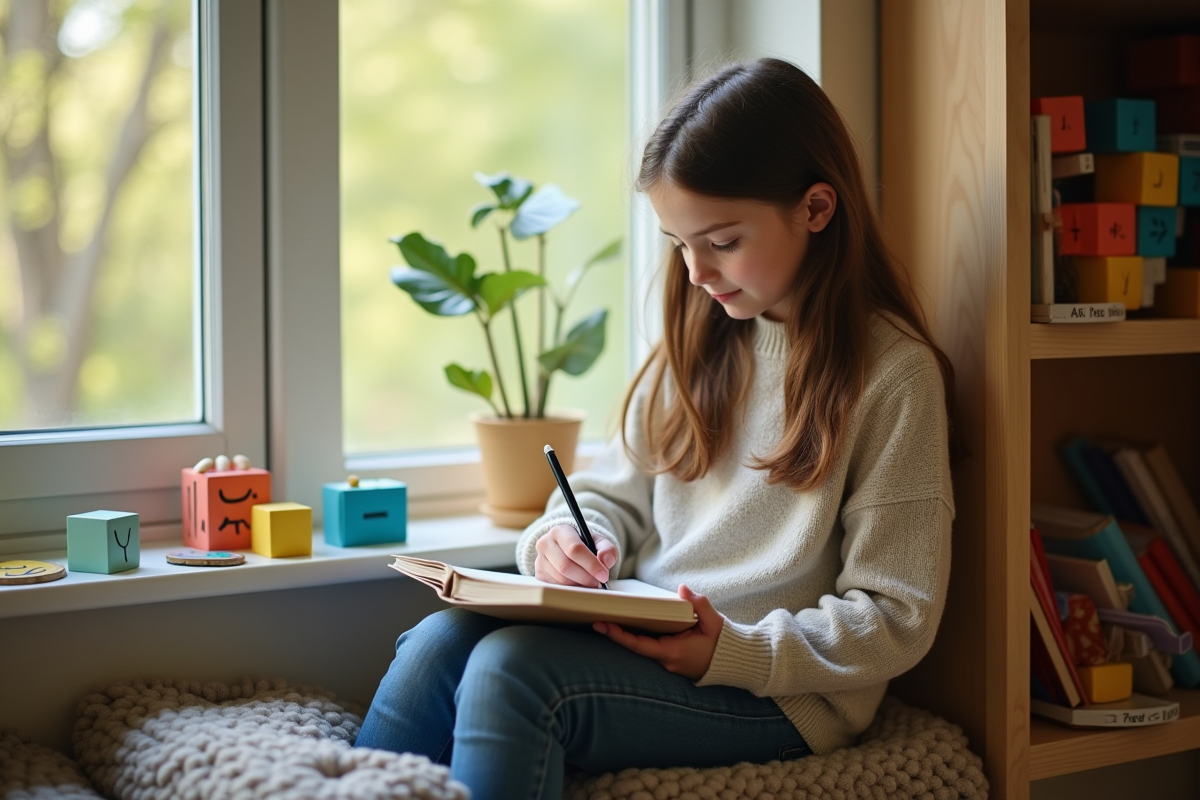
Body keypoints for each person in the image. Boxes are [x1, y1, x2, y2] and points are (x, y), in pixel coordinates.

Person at [355, 57, 956, 800]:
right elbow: (611, 498)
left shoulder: (894, 377)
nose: (697, 271)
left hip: (781, 695)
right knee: (440, 642)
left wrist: (731, 653)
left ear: (818, 209)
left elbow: (896, 617)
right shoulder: (702, 340)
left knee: (514, 677)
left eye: (723, 241)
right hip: (653, 635)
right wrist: (565, 543)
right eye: (679, 243)